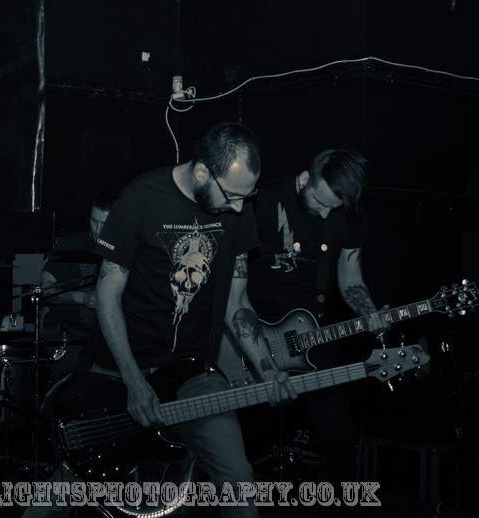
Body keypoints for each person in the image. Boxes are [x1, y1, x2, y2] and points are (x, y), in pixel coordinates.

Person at [83, 122, 297, 518]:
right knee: (76, 481)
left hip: (193, 372)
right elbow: (107, 294)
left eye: (247, 196)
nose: (239, 207)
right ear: (201, 171)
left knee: (238, 480)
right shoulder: (141, 197)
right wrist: (133, 381)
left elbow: (236, 301)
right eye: (233, 195)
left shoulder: (237, 207)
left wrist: (266, 367)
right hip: (121, 368)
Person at [242, 149, 389, 483]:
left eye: (332, 208)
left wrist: (369, 313)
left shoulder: (349, 212)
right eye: (320, 202)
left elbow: (350, 277)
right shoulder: (263, 200)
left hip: (313, 333)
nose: (325, 214)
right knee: (241, 437)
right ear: (306, 178)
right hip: (255, 334)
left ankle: (331, 502)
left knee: (340, 431)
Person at [38, 189, 116, 378]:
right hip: (69, 335)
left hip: (108, 338)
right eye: (94, 221)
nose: (97, 230)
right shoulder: (72, 242)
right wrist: (82, 298)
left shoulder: (125, 250)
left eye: (105, 224)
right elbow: (44, 288)